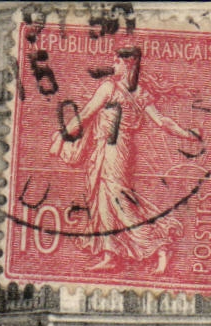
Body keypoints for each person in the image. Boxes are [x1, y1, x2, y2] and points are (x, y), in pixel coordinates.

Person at [50, 45, 201, 276]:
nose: (114, 65)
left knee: (118, 201)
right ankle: (111, 255)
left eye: (118, 62)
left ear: (129, 64)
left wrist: (62, 135)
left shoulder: (110, 88)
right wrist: (187, 134)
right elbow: (162, 121)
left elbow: (86, 114)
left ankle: (160, 246)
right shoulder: (139, 92)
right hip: (116, 150)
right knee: (104, 201)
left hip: (113, 150)